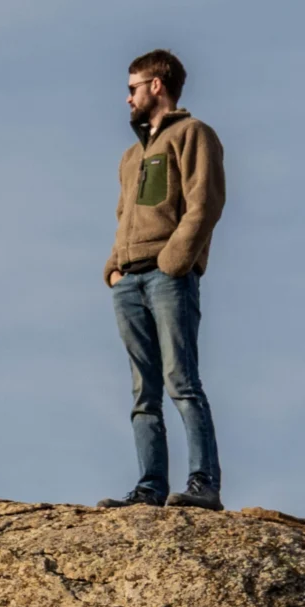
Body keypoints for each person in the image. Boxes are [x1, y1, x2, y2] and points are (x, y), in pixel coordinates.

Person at [99, 49, 226, 510]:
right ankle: (149, 487)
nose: (127, 97)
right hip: (128, 281)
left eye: (133, 87)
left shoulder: (194, 134)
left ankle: (203, 484)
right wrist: (113, 268)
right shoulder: (131, 156)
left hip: (168, 277)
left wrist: (174, 261)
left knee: (182, 381)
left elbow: (204, 204)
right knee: (142, 391)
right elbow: (123, 215)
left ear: (156, 85)